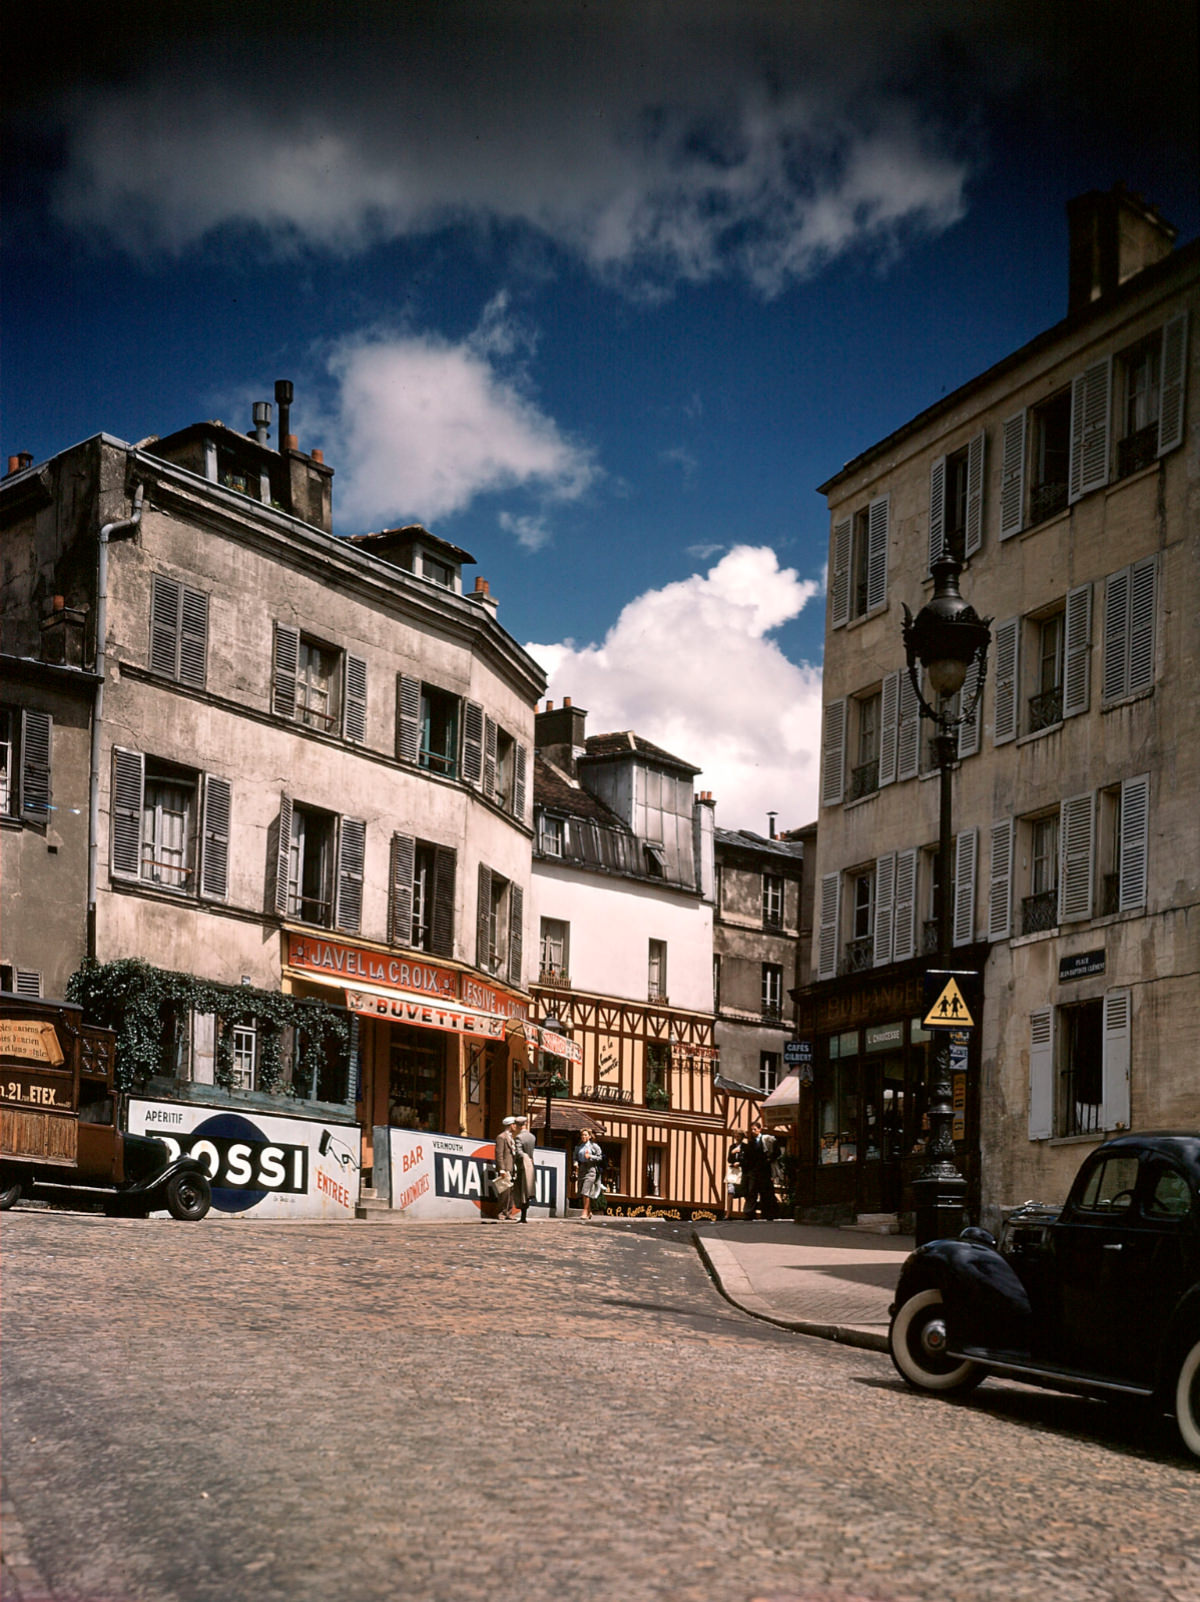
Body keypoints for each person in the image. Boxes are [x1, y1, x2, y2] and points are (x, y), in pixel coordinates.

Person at [740, 1119, 777, 1221]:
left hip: (765, 1171)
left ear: (760, 1129)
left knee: (766, 1193)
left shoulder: (767, 1141)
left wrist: (769, 1159)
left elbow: (777, 1152)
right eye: (751, 1129)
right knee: (752, 1193)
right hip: (754, 1172)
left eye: (754, 1129)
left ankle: (768, 1214)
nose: (753, 1131)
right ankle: (749, 1214)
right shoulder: (751, 1143)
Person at [511, 1113, 537, 1222]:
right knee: (527, 1191)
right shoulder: (532, 1137)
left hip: (522, 1166)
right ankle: (524, 1216)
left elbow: (519, 1152)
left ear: (518, 1125)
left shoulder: (519, 1137)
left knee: (521, 1191)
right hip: (530, 1165)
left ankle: (522, 1217)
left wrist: (523, 1157)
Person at [493, 1116, 519, 1220]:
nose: (516, 1126)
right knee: (504, 1191)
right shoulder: (501, 1137)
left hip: (512, 1168)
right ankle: (501, 1212)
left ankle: (508, 1212)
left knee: (511, 1191)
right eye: (514, 1124)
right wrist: (501, 1169)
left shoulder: (511, 1138)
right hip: (505, 1168)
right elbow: (499, 1154)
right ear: (511, 1125)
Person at [573, 1130, 603, 1220]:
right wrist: (575, 1163)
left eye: (585, 1135)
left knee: (585, 1191)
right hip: (582, 1169)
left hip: (591, 1169)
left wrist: (590, 1157)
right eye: (582, 1135)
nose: (583, 1137)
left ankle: (585, 1212)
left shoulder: (594, 1146)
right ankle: (589, 1211)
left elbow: (600, 1157)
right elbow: (575, 1157)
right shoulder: (578, 1147)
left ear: (590, 1136)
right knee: (582, 1191)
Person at [723, 1135, 746, 1220]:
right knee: (730, 1191)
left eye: (738, 1136)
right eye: (736, 1136)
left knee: (744, 1191)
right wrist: (733, 1152)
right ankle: (728, 1213)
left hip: (742, 1171)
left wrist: (740, 1163)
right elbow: (729, 1159)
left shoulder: (745, 1147)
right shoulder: (732, 1146)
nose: (737, 1138)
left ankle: (746, 1212)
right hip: (733, 1171)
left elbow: (747, 1159)